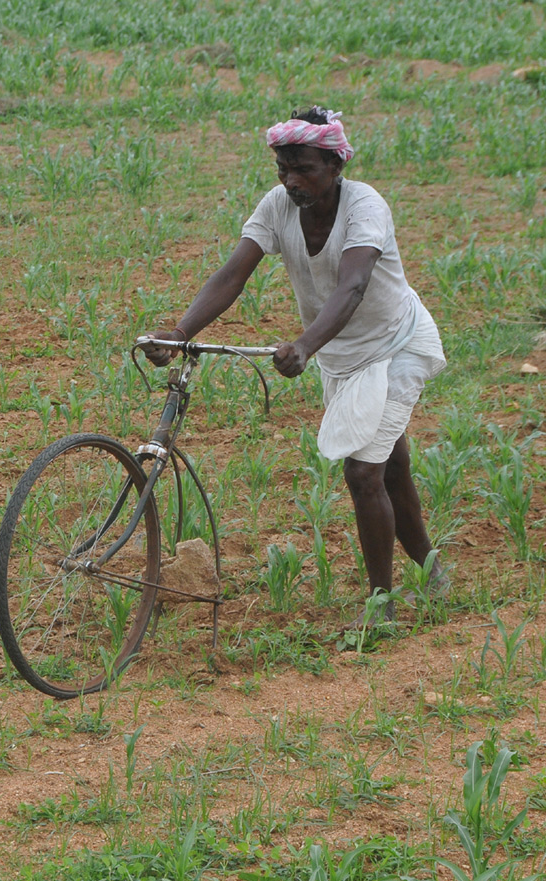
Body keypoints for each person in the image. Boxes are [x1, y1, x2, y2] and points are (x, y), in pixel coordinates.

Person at [141, 106, 448, 627]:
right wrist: (181, 331)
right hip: (341, 355)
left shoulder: (365, 207)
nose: (291, 181)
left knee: (363, 471)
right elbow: (232, 274)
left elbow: (352, 285)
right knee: (390, 466)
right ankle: (433, 573)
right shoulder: (277, 207)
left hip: (396, 345)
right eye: (283, 169)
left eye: (304, 168)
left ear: (335, 164)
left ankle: (381, 607)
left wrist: (304, 344)